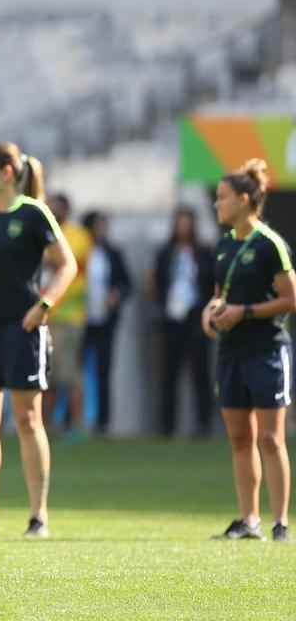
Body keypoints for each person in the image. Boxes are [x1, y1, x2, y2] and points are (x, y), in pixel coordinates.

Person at [0, 142, 76, 539]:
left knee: (27, 419)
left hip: (22, 328)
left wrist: (45, 305)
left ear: (7, 173)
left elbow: (66, 265)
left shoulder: (36, 213)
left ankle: (38, 516)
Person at [203, 160, 292, 543]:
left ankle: (281, 522)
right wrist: (212, 314)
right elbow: (220, 297)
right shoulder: (224, 245)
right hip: (231, 352)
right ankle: (248, 519)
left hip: (267, 350)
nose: (216, 205)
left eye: (222, 198)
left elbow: (290, 299)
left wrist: (247, 313)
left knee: (271, 439)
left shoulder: (271, 244)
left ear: (243, 199)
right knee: (240, 438)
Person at [151, 206, 215, 437]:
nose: (183, 227)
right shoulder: (166, 253)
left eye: (187, 223)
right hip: (172, 319)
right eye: (180, 222)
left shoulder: (203, 252)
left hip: (196, 319)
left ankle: (203, 424)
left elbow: (211, 282)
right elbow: (157, 282)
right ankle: (167, 425)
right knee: (169, 374)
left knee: (200, 373)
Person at [43, 193, 92, 435]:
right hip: (46, 317)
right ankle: (46, 426)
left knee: (70, 374)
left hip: (70, 317)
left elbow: (64, 264)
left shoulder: (77, 235)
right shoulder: (44, 232)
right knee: (48, 376)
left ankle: (78, 425)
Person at [80, 210, 132, 436]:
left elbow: (126, 283)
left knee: (103, 370)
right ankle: (71, 419)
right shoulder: (78, 250)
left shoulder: (112, 253)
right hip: (78, 319)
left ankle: (102, 421)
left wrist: (116, 294)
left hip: (104, 320)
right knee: (74, 372)